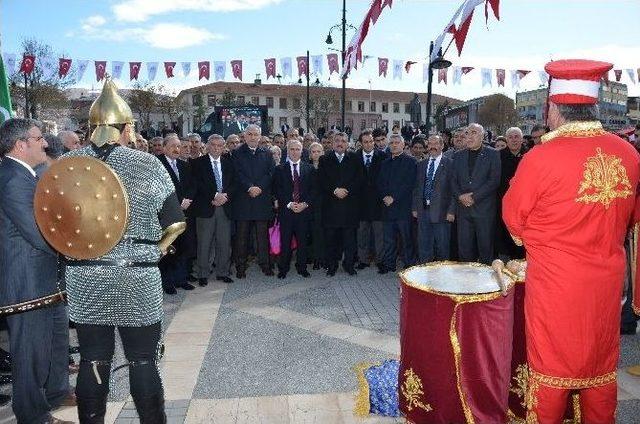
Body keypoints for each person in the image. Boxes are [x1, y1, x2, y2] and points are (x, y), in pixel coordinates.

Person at [503, 59, 640, 423]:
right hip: (607, 286)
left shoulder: (540, 158)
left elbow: (514, 220)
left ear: (553, 108)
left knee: (551, 371)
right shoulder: (628, 154)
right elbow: (632, 219)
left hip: (556, 286)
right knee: (600, 368)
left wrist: (537, 236)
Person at [62, 78, 185, 423]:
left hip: (86, 274)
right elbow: (175, 224)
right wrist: (156, 252)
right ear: (127, 128)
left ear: (91, 127)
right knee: (143, 359)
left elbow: (56, 225)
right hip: (136, 273)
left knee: (93, 359)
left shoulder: (69, 165)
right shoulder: (146, 164)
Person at [0, 119, 73, 424]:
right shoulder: (13, 179)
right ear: (20, 145)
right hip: (26, 282)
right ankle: (32, 415)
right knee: (30, 351)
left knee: (53, 339)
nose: (45, 143)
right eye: (39, 138)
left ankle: (56, 392)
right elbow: (39, 232)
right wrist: (76, 244)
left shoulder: (25, 173)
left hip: (43, 276)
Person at [187, 134, 235, 285]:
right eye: (213, 145)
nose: (216, 148)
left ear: (223, 147)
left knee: (224, 242)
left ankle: (222, 272)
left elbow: (234, 183)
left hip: (224, 207)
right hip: (206, 207)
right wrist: (215, 195)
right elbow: (198, 184)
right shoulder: (197, 163)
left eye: (219, 145)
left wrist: (225, 196)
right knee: (204, 243)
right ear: (207, 146)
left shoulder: (229, 163)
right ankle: (203, 274)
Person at [451, 123, 501, 264]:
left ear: (482, 136)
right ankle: (467, 281)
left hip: (484, 210)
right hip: (463, 210)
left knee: (485, 249)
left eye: (474, 132)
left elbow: (493, 181)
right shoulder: (458, 155)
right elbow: (453, 182)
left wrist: (473, 197)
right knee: (465, 249)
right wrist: (460, 196)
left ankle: (485, 284)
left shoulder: (493, 154)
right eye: (467, 133)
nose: (469, 136)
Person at [232, 124, 276, 278]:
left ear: (260, 136)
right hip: (244, 200)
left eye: (255, 134)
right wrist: (250, 187)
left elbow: (271, 173)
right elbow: (237, 174)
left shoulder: (267, 153)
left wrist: (259, 188)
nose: (252, 137)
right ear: (245, 136)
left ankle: (265, 264)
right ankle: (240, 266)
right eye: (249, 134)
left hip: (261, 200)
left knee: (262, 237)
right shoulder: (237, 153)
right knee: (242, 237)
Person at [317, 132, 364, 276]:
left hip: (349, 207)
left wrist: (347, 190)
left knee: (349, 240)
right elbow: (321, 180)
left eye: (343, 141)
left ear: (347, 144)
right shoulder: (324, 159)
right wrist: (335, 190)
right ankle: (331, 266)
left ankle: (349, 265)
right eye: (337, 141)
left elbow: (360, 178)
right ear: (332, 143)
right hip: (331, 206)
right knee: (331, 240)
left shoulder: (355, 158)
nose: (340, 143)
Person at [157, 134, 196, 294]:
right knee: (168, 248)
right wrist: (178, 202)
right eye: (173, 146)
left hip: (185, 213)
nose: (177, 149)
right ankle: (167, 282)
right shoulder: (158, 164)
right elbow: (158, 188)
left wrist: (188, 199)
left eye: (179, 146)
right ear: (164, 147)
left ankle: (181, 279)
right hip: (167, 214)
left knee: (183, 247)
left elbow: (192, 184)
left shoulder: (184, 165)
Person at [273, 139, 315, 279]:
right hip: (287, 212)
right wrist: (290, 204)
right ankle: (283, 268)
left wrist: (305, 204)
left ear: (302, 151)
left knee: (302, 242)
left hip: (303, 212)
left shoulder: (309, 168)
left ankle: (302, 267)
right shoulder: (279, 169)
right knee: (285, 241)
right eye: (292, 149)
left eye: (298, 149)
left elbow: (312, 190)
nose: (295, 152)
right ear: (287, 150)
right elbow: (278, 190)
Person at [377, 134, 417, 273]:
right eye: (392, 143)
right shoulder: (385, 163)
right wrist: (385, 196)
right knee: (388, 240)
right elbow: (380, 183)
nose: (394, 145)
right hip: (387, 207)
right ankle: (389, 264)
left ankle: (409, 264)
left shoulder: (411, 162)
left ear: (403, 145)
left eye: (396, 143)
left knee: (406, 239)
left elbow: (410, 184)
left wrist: (394, 197)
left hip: (403, 208)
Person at [412, 135, 455, 263]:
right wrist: (414, 207)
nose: (433, 146)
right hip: (423, 210)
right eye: (430, 144)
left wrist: (452, 211)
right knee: (424, 245)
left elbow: (454, 190)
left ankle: (441, 277)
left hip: (442, 212)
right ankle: (425, 275)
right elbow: (416, 188)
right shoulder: (421, 164)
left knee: (442, 247)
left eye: (436, 143)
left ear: (442, 146)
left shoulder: (450, 164)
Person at [355, 129, 385, 270]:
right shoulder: (354, 157)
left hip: (378, 203)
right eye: (365, 142)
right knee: (362, 234)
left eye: (371, 141)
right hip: (360, 204)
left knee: (379, 234)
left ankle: (380, 259)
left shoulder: (383, 156)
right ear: (361, 143)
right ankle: (363, 260)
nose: (369, 144)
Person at [496, 127, 526, 260]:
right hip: (502, 204)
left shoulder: (529, 155)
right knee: (503, 237)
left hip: (524, 205)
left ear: (522, 139)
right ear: (506, 140)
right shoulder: (498, 156)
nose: (514, 140)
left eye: (516, 137)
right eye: (511, 137)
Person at [308, 142, 325, 269]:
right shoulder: (306, 168)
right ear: (310, 154)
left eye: (318, 151)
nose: (316, 154)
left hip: (324, 205)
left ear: (323, 153)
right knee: (311, 232)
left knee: (322, 233)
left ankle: (321, 259)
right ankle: (313, 257)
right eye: (313, 152)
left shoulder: (328, 168)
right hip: (309, 205)